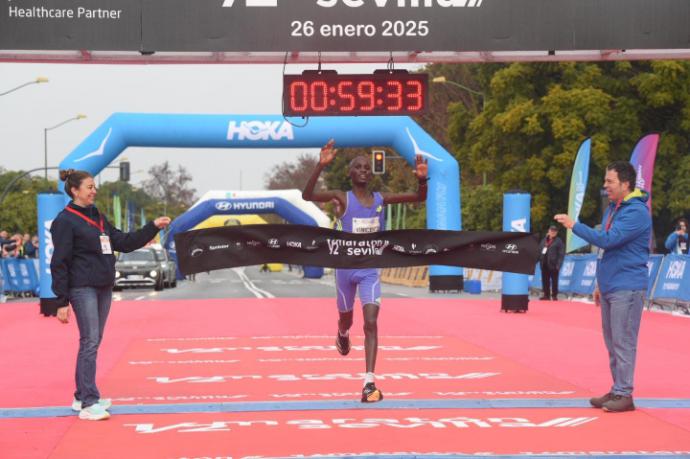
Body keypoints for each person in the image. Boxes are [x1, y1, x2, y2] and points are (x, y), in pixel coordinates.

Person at [302, 139, 428, 403]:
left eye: (367, 168)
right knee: (347, 319)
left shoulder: (382, 199)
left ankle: (369, 382)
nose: (364, 170)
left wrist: (422, 180)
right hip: (345, 270)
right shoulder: (341, 198)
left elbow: (419, 197)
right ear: (350, 173)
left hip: (370, 269)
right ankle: (342, 332)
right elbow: (307, 195)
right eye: (358, 167)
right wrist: (320, 165)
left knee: (371, 322)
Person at [50, 169, 171, 421]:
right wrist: (61, 301)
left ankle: (81, 395)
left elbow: (125, 242)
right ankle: (88, 403)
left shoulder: (98, 217)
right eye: (89, 187)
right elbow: (59, 262)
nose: (94, 190)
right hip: (82, 287)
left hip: (104, 286)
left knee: (93, 340)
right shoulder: (65, 221)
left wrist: (152, 227)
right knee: (90, 341)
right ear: (75, 190)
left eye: (94, 186)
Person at [555, 160, 651, 413]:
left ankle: (625, 393)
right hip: (611, 284)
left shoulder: (636, 212)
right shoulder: (613, 209)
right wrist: (600, 282)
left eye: (610, 181)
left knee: (623, 341)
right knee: (612, 341)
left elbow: (608, 240)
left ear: (625, 183)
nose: (605, 185)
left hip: (628, 286)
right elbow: (604, 251)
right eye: (606, 180)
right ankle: (617, 388)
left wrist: (574, 225)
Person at [538, 224, 565, 300]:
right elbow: (540, 251)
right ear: (548, 231)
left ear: (556, 232)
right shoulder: (544, 240)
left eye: (554, 231)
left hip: (554, 264)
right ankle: (546, 295)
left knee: (554, 281)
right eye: (551, 230)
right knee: (545, 280)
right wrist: (539, 260)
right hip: (544, 263)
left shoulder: (559, 241)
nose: (553, 232)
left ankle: (554, 295)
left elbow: (561, 254)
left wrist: (558, 265)